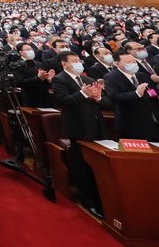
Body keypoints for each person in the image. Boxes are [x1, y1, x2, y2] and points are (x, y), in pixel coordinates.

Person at [51, 51, 110, 219]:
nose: (78, 63)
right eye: (74, 60)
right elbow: (62, 101)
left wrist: (98, 97)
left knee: (98, 164)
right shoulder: (60, 79)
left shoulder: (88, 79)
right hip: (78, 127)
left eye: (79, 60)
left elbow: (107, 103)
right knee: (82, 165)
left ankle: (102, 198)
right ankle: (87, 199)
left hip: (97, 126)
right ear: (64, 64)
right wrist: (83, 94)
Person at [104, 52, 159, 141]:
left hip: (152, 119)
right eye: (128, 62)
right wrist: (136, 93)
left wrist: (158, 96)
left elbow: (151, 91)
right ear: (117, 63)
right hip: (131, 121)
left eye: (134, 61)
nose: (133, 64)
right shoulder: (111, 77)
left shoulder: (142, 75)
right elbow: (114, 97)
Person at [13, 42, 54, 107]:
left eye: (31, 49)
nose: (31, 51)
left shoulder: (39, 64)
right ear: (21, 52)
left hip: (44, 97)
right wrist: (38, 78)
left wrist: (49, 80)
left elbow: (44, 82)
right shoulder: (17, 65)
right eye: (28, 49)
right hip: (30, 97)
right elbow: (21, 82)